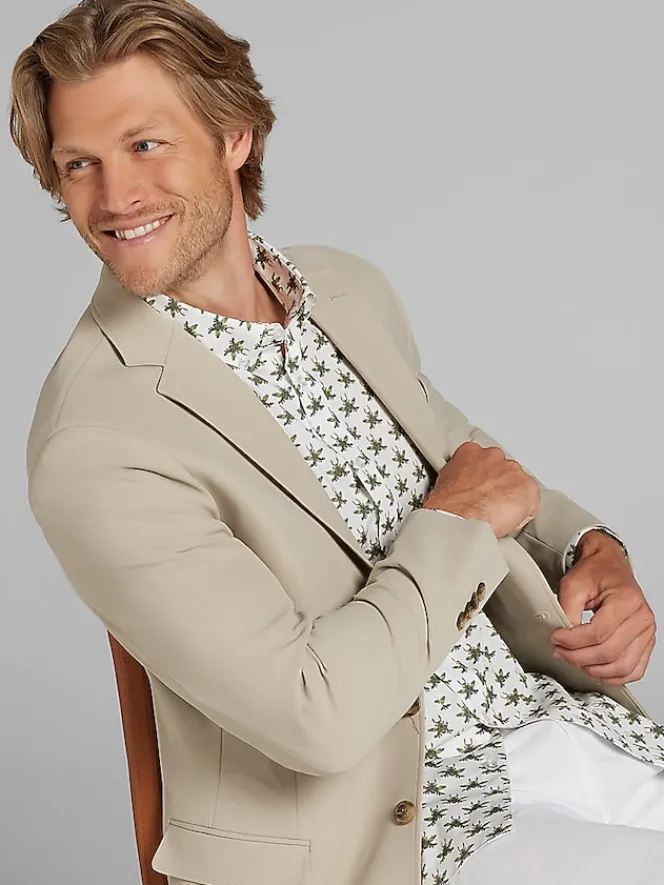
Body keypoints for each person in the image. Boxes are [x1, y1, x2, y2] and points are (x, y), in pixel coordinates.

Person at [11, 1, 664, 883]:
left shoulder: (345, 291)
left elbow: (479, 471)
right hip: (401, 828)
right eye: (78, 163)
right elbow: (313, 714)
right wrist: (456, 526)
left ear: (234, 135)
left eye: (146, 144)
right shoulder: (96, 441)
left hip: (566, 727)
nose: (115, 195)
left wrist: (594, 549)